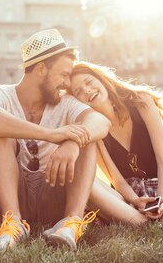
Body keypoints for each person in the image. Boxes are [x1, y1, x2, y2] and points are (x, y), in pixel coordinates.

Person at [0, 29, 110, 251]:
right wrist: (51, 134)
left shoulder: (65, 103)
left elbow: (100, 121)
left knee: (85, 136)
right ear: (41, 69)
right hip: (7, 196)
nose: (67, 83)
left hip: (51, 195)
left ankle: (71, 222)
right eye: (64, 75)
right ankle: (12, 225)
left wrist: (72, 143)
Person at [70, 61, 163, 222]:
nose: (87, 90)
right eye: (78, 92)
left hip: (161, 184)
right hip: (129, 197)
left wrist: (161, 198)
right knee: (82, 180)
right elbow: (117, 181)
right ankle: (138, 218)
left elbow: (162, 159)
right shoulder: (94, 128)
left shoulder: (141, 102)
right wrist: (135, 201)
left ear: (101, 79)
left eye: (89, 82)